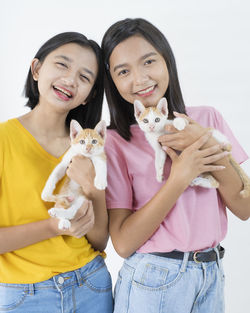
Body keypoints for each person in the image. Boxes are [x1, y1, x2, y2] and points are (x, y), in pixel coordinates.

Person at [101, 18, 249, 313]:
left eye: (149, 61)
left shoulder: (207, 119)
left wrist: (205, 142)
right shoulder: (116, 142)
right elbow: (122, 243)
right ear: (113, 81)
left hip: (211, 274)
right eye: (123, 71)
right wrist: (179, 178)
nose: (140, 79)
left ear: (167, 60)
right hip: (153, 279)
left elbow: (245, 208)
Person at [0, 32, 113, 313]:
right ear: (37, 69)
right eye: (62, 65)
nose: (71, 80)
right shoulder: (4, 140)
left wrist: (93, 188)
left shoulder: (92, 150)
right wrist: (53, 227)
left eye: (85, 77)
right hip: (24, 296)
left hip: (92, 284)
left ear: (89, 96)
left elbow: (98, 240)